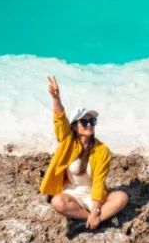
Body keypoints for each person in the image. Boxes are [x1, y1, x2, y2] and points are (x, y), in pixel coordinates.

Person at [40, 75, 128, 232]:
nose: (89, 125)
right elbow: (60, 120)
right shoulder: (68, 141)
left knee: (122, 197)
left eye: (92, 121)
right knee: (57, 202)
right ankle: (92, 219)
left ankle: (90, 219)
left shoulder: (102, 150)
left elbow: (99, 182)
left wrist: (95, 209)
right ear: (74, 126)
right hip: (72, 194)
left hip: (93, 196)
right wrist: (56, 98)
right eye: (84, 121)